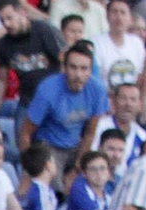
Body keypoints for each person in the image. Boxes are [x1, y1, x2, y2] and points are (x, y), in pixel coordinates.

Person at [20, 41, 108, 170]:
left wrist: (78, 168)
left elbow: (90, 133)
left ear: (91, 70)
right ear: (65, 68)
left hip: (76, 146)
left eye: (84, 68)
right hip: (48, 146)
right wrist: (30, 166)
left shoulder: (98, 90)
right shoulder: (47, 89)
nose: (78, 75)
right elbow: (25, 132)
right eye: (73, 67)